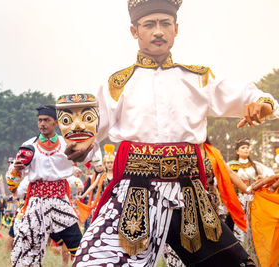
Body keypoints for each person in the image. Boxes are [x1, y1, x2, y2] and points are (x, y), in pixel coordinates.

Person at [67, 1, 279, 266]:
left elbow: (248, 94)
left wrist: (263, 103)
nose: (158, 32)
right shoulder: (116, 83)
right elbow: (91, 131)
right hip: (133, 192)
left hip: (189, 194)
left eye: (165, 24)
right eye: (149, 24)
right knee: (94, 262)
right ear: (135, 31)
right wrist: (83, 145)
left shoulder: (198, 78)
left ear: (176, 29)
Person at [8, 105, 83, 266]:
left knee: (78, 244)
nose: (42, 123)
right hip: (36, 203)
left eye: (46, 120)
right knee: (29, 247)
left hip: (60, 202)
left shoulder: (66, 144)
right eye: (40, 120)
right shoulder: (29, 146)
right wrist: (16, 169)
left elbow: (83, 156)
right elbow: (12, 180)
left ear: (55, 123)